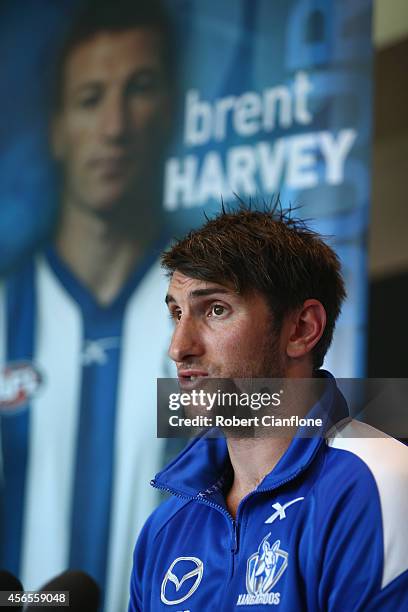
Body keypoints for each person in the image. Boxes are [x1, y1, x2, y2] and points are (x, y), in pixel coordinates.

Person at [129, 205, 408, 611]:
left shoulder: (380, 483)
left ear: (301, 329)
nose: (178, 348)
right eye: (176, 313)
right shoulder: (165, 528)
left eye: (215, 310)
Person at [0, 1, 177, 610]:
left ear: (173, 110)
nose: (116, 126)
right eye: (90, 98)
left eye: (141, 89)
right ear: (56, 128)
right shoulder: (2, 316)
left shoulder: (218, 320)